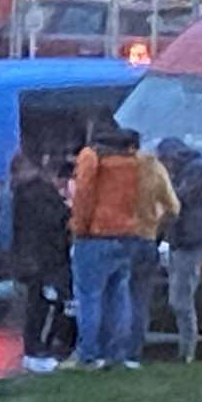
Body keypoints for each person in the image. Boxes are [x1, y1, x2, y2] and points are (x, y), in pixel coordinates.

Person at [61, 126, 143, 371]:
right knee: (119, 295)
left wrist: (79, 226)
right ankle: (116, 353)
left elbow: (84, 195)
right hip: (127, 233)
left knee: (89, 296)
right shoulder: (135, 162)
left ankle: (88, 355)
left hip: (95, 235)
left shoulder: (92, 157)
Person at [11, 152, 75, 372]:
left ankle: (35, 347)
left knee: (37, 304)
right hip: (46, 257)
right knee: (45, 304)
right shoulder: (39, 192)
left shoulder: (22, 193)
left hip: (32, 256)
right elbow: (54, 221)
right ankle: (38, 348)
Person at [122, 136, 180, 370]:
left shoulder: (121, 170)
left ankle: (111, 350)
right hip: (147, 239)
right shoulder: (156, 170)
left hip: (121, 238)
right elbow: (173, 207)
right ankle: (133, 354)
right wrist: (158, 225)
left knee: (116, 296)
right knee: (140, 299)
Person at [157, 138, 202, 363]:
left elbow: (178, 200)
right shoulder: (192, 169)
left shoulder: (195, 171)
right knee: (179, 297)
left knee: (180, 299)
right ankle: (186, 349)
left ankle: (187, 351)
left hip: (190, 240)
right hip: (182, 240)